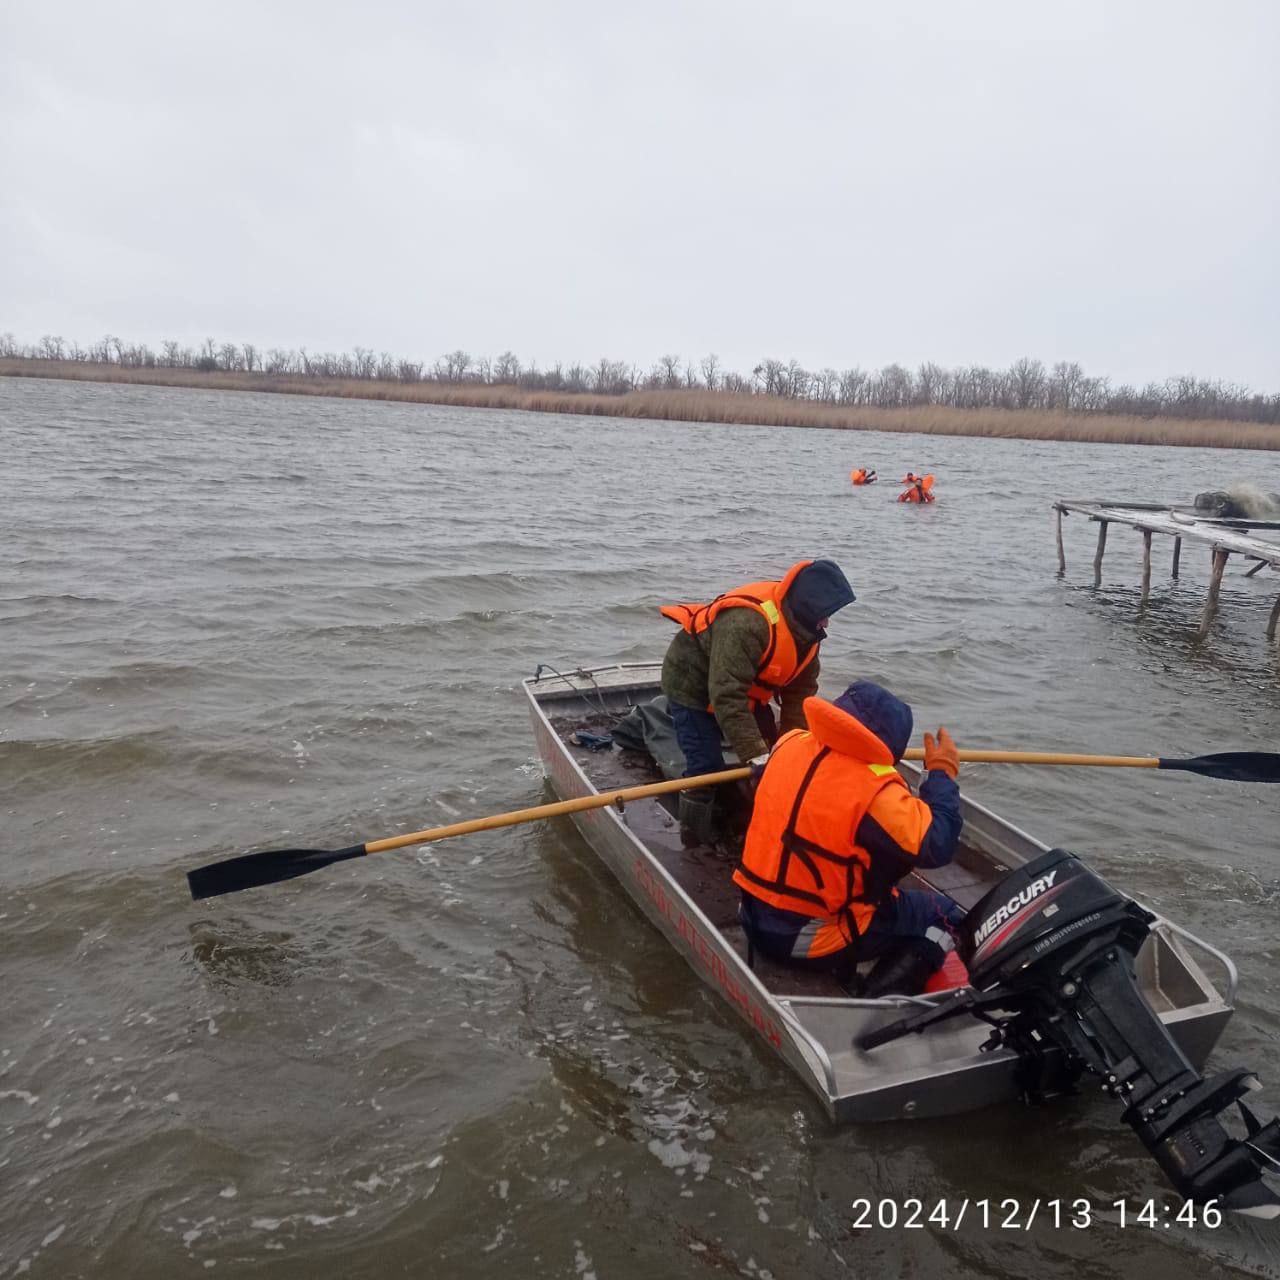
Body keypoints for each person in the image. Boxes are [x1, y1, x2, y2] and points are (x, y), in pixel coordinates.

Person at [733, 680, 964, 995]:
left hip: (751, 913)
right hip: (804, 940)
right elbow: (939, 844)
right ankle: (875, 1002)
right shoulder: (874, 792)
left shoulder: (788, 745)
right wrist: (941, 774)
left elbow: (775, 781)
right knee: (945, 918)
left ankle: (846, 966)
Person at [660, 559, 856, 841]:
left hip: (745, 689)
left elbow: (799, 697)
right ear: (807, 607)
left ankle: (759, 829)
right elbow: (727, 696)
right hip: (692, 686)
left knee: (777, 759)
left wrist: (790, 749)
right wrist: (757, 755)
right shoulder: (747, 624)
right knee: (705, 769)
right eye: (823, 614)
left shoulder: (808, 631)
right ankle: (694, 842)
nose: (826, 622)